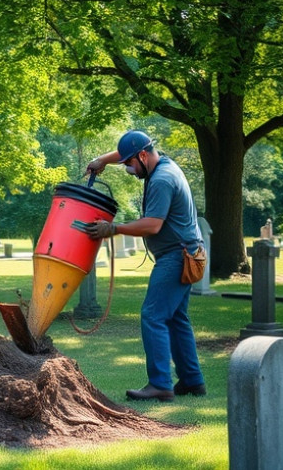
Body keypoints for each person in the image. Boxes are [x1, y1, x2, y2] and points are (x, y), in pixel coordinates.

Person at [84, 130, 206, 402]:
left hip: (177, 257)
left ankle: (160, 384)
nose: (129, 169)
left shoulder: (162, 179)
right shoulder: (161, 163)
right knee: (176, 318)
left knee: (153, 315)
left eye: (130, 164)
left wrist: (113, 228)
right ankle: (192, 380)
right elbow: (133, 147)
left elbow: (153, 224)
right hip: (188, 252)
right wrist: (103, 159)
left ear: (143, 157)